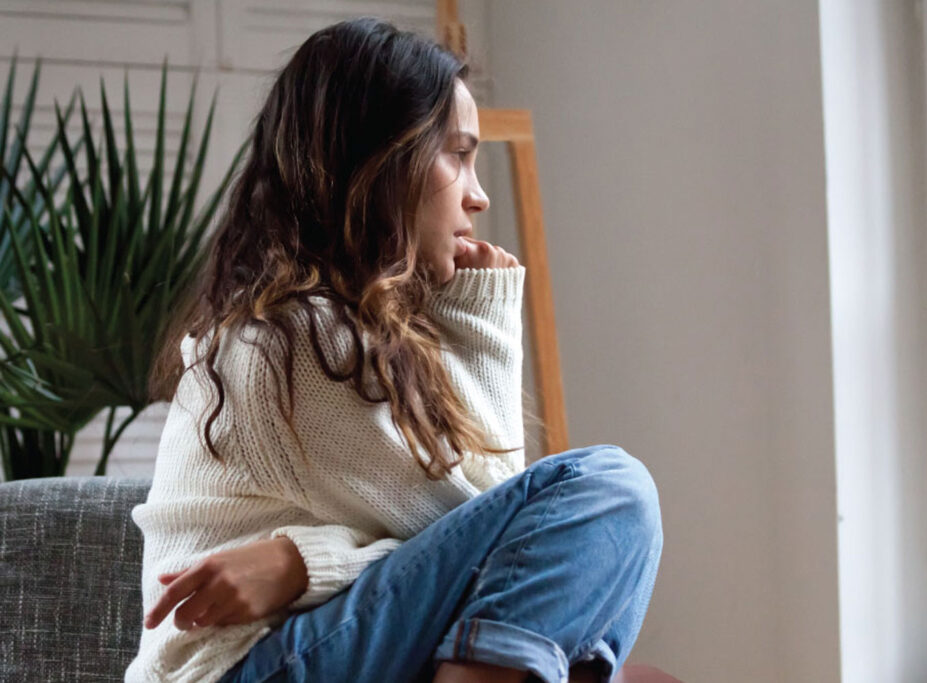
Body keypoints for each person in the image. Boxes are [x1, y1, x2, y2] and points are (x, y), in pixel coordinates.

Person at [125, 16, 663, 683]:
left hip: (300, 651)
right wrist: (485, 313)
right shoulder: (293, 339)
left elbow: (501, 558)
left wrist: (302, 563)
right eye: (458, 155)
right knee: (612, 490)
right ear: (382, 163)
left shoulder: (334, 327)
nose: (479, 193)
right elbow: (503, 525)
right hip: (243, 669)